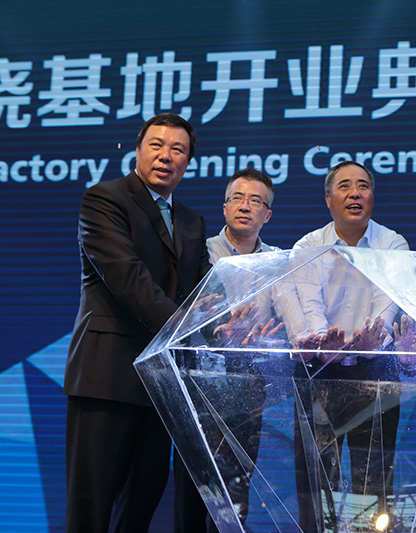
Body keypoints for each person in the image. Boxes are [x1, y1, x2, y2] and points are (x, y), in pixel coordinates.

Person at [63, 113, 210, 533]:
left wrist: (230, 320)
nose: (166, 156)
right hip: (106, 378)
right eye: (156, 145)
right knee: (91, 509)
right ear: (138, 150)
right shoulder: (104, 200)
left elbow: (202, 293)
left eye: (178, 150)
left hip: (159, 386)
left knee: (140, 508)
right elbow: (129, 280)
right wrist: (184, 330)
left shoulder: (191, 222)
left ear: (187, 162)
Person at [285, 160, 408, 531]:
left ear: (372, 196)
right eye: (345, 186)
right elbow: (309, 307)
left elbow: (387, 302)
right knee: (317, 482)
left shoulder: (392, 243)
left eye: (363, 186)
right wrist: (327, 344)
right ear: (328, 199)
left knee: (373, 481)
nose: (355, 193)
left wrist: (373, 337)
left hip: (375, 371)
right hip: (320, 370)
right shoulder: (308, 246)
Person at [174, 167, 280, 532]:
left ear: (268, 215)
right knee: (193, 488)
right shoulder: (198, 252)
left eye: (256, 201)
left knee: (236, 489)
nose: (245, 206)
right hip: (199, 380)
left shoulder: (277, 262)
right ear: (224, 208)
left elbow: (283, 323)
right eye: (238, 198)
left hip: (248, 385)